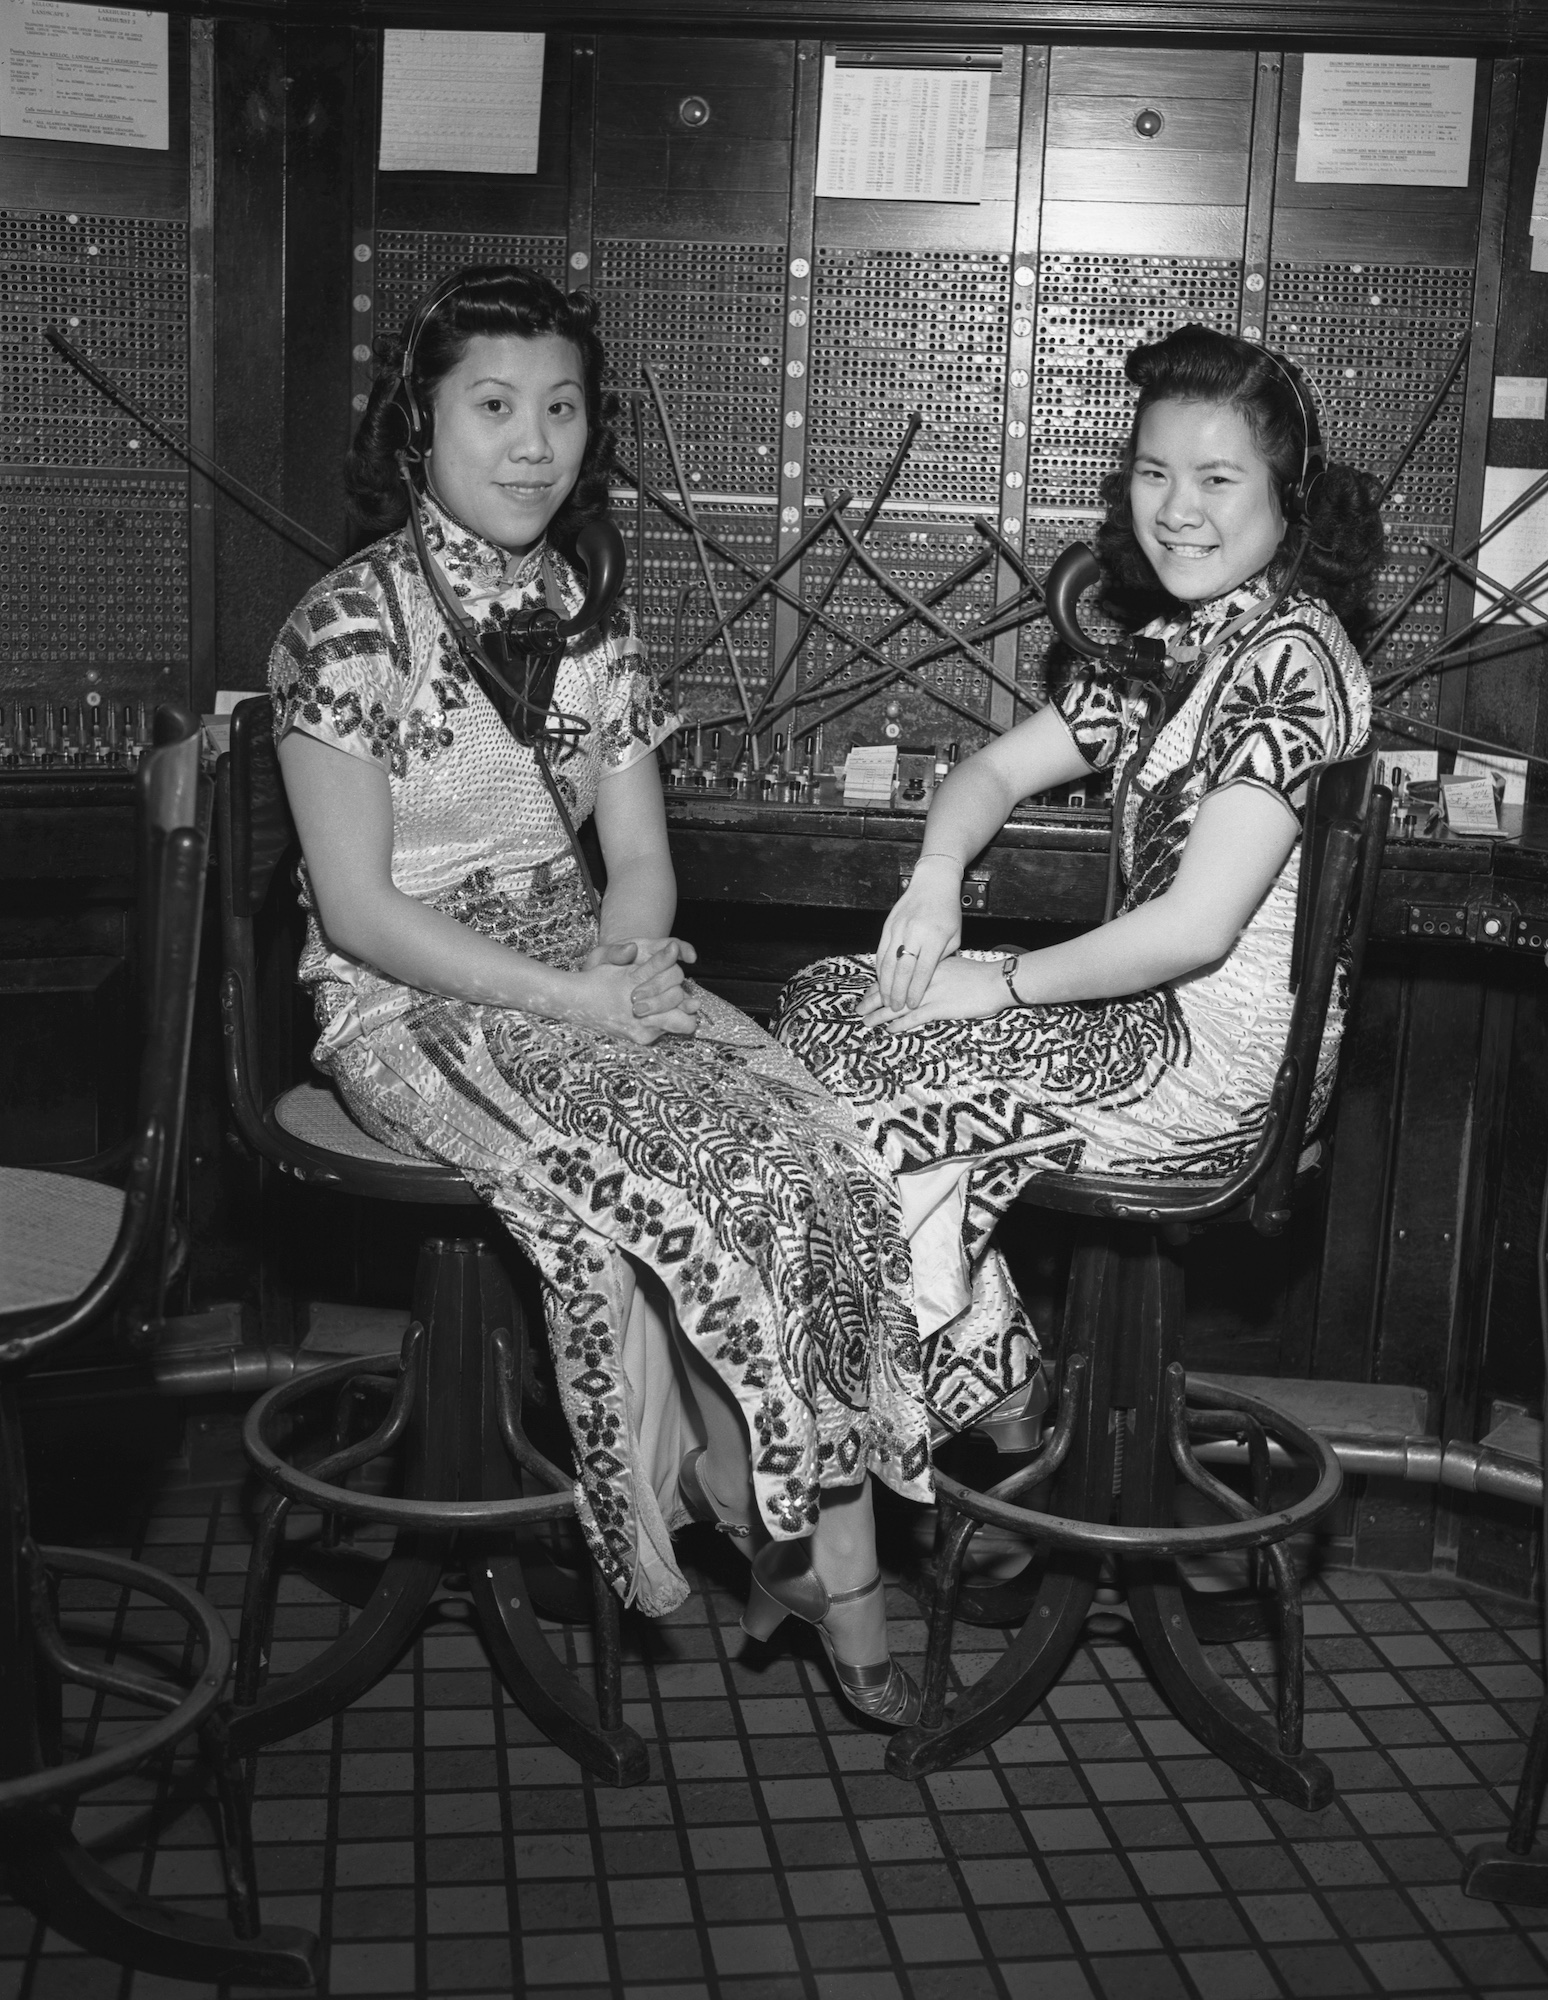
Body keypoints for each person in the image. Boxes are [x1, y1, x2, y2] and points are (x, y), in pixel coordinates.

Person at [267, 265, 924, 1722]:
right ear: (415, 428)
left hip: (582, 975)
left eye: (559, 408)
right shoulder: (341, 630)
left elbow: (637, 860)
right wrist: (576, 1001)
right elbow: (364, 914)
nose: (531, 442)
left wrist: (626, 957)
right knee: (679, 1177)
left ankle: (820, 1544)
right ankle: (752, 1518)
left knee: (812, 1144)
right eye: (493, 405)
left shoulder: (585, 613)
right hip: (412, 999)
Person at [775, 324, 1384, 1452]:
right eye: (1155, 473)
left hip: (1210, 1063)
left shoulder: (1289, 662)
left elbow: (1197, 931)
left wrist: (995, 983)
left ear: (1287, 497)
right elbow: (995, 769)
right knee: (825, 999)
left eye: (1217, 477)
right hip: (1143, 1017)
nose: (1179, 508)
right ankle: (982, 1365)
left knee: (862, 1049)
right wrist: (935, 881)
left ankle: (936, 1406)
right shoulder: (1189, 647)